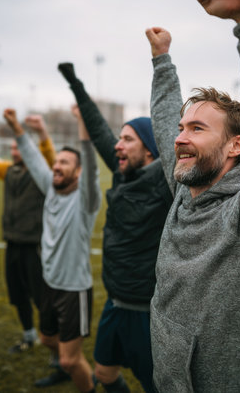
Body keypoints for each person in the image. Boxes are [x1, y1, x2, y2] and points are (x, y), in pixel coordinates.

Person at [145, 0, 240, 392]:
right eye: (185, 127)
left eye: (197, 129)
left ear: (237, 145)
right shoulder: (184, 190)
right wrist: (162, 60)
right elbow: (165, 127)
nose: (182, 137)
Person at [58, 63, 173, 393]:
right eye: (119, 138)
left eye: (127, 139)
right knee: (104, 374)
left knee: (158, 385)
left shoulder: (168, 182)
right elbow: (97, 131)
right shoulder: (124, 173)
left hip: (148, 311)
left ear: (151, 149)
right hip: (115, 302)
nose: (117, 145)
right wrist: (76, 85)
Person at [4, 105, 101, 393]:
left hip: (74, 291)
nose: (57, 166)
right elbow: (34, 160)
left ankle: (85, 382)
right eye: (56, 162)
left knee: (71, 361)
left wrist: (82, 120)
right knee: (47, 340)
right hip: (49, 284)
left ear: (78, 171)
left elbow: (92, 164)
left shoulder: (85, 201)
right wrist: (17, 127)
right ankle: (64, 364)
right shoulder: (51, 189)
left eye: (65, 163)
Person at [0, 116, 55, 353]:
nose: (14, 152)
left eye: (17, 147)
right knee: (18, 294)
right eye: (11, 149)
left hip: (34, 246)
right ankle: (29, 336)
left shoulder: (43, 175)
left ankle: (55, 346)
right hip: (12, 244)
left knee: (42, 298)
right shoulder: (8, 171)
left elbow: (49, 157)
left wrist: (42, 135)